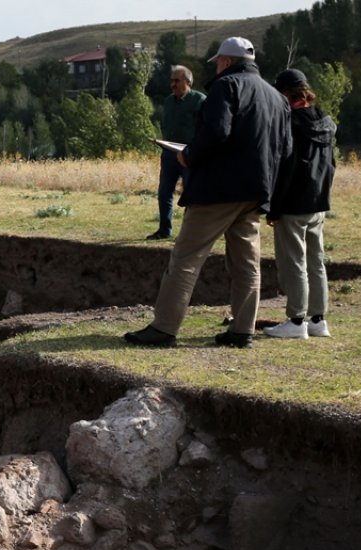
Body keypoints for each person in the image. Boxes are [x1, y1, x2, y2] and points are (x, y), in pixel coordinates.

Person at [124, 36, 293, 349]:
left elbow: (216, 132)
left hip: (218, 189)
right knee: (246, 264)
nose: (215, 66)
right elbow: (286, 149)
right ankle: (242, 330)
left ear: (227, 61)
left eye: (217, 61)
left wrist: (188, 156)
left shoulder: (225, 87)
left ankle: (164, 327)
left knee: (186, 257)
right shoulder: (276, 98)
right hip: (256, 192)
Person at [263, 68, 336, 339]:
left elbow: (285, 169)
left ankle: (296, 322)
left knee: (294, 262)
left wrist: (273, 206)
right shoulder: (325, 122)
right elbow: (331, 165)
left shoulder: (289, 123)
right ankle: (318, 320)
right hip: (318, 202)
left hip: (293, 203)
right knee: (316, 262)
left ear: (285, 93)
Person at [149, 65, 206, 240]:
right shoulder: (168, 101)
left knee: (190, 194)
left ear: (188, 82)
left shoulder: (200, 100)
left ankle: (190, 233)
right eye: (171, 80)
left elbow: (205, 128)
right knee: (164, 192)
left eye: (176, 80)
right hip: (169, 154)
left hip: (189, 155)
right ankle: (164, 230)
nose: (172, 84)